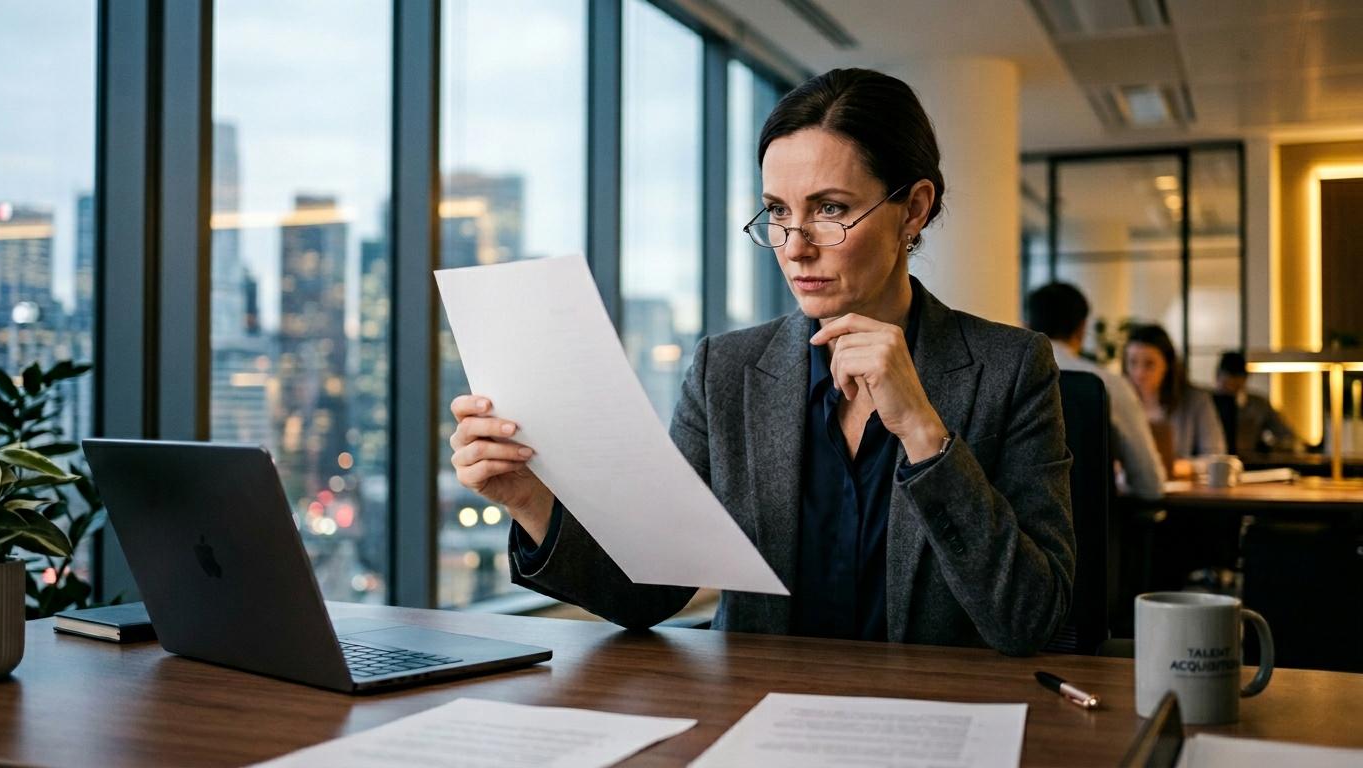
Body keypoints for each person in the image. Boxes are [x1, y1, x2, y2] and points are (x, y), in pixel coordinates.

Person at [450, 68, 1075, 656]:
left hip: (933, 721)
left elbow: (1032, 621)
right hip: (755, 715)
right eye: (778, 211)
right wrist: (527, 497)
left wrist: (923, 434)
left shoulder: (1010, 367)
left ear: (913, 207)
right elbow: (650, 592)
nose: (795, 246)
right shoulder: (726, 370)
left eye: (829, 209)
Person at [1025, 283, 1165, 499]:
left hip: (1015, 528)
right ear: (1082, 328)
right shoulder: (1109, 384)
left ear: (1025, 326)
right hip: (1093, 527)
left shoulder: (1005, 383)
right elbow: (1149, 484)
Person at [1122, 324, 1226, 471]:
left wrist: (1181, 467)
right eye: (1132, 363)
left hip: (1181, 489)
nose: (1139, 373)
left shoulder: (1195, 400)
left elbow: (1216, 457)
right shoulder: (1118, 402)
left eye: (1149, 364)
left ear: (1167, 365)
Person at [1214, 351, 1300, 455]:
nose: (1230, 387)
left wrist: (1266, 448)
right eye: (1226, 383)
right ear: (1217, 377)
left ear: (1244, 379)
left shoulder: (1258, 405)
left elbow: (1286, 436)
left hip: (1250, 463)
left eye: (1235, 382)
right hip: (1212, 461)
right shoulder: (1206, 403)